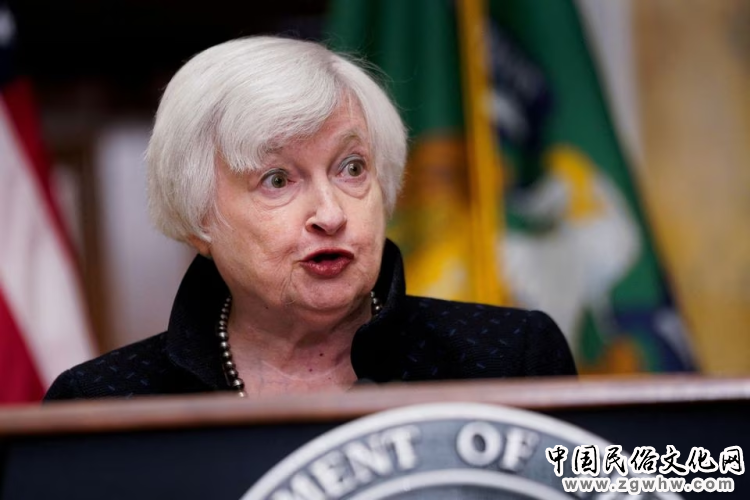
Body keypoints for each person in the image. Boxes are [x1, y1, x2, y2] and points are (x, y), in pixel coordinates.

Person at [45, 36, 575, 400]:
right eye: (277, 179)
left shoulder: (510, 357)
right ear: (198, 219)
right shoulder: (103, 401)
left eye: (351, 168)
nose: (330, 214)